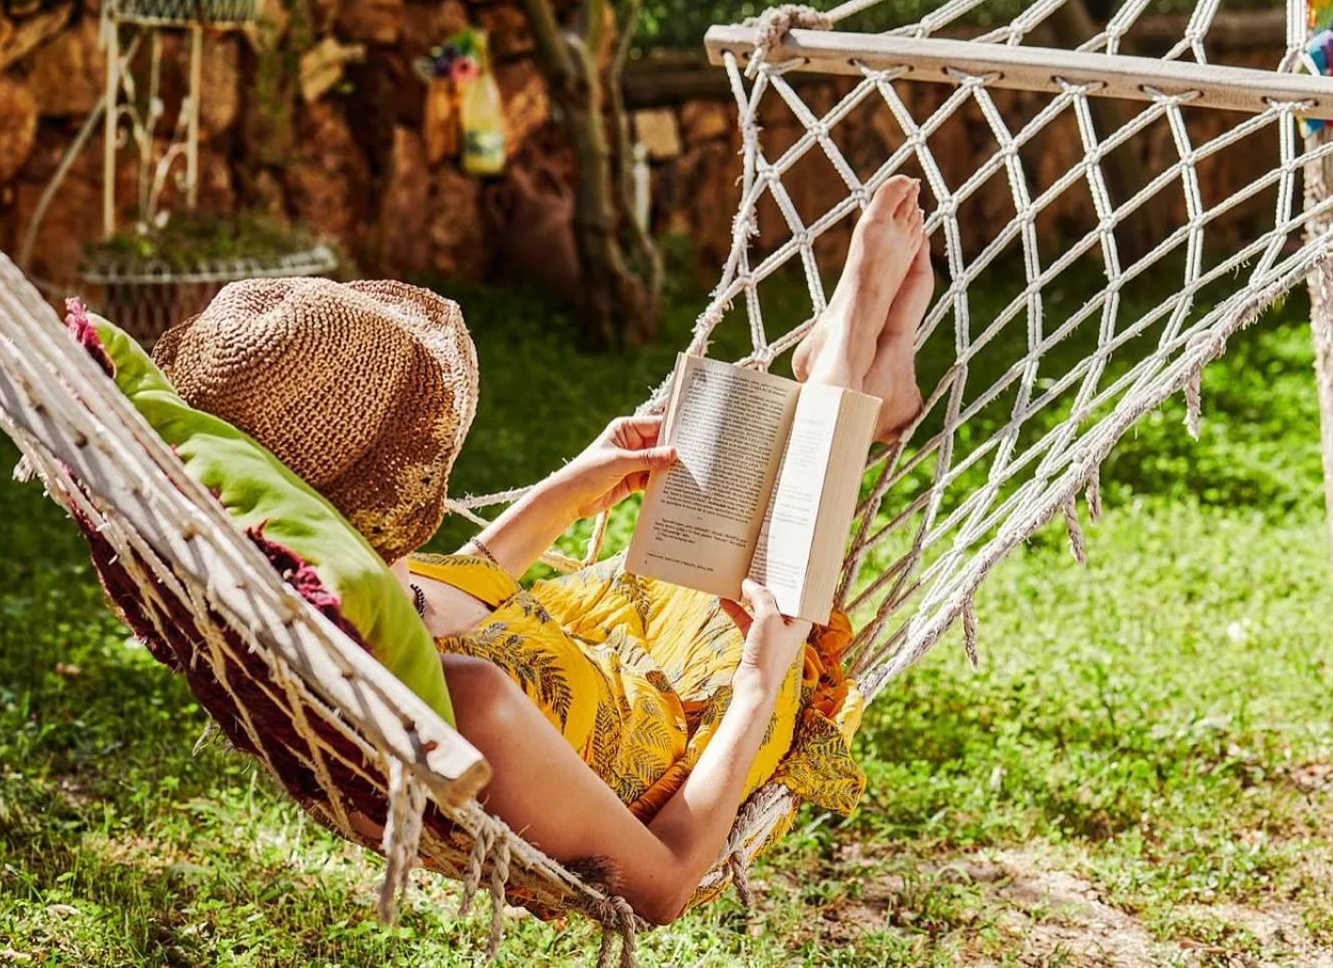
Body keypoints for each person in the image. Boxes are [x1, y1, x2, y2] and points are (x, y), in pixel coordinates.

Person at [152, 175, 934, 924]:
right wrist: (762, 678)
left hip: (601, 646)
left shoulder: (328, 584)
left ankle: (867, 382)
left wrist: (570, 488)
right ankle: (851, 358)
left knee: (734, 490)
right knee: (778, 554)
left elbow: (462, 593)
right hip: (689, 737)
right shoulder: (472, 705)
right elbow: (659, 885)